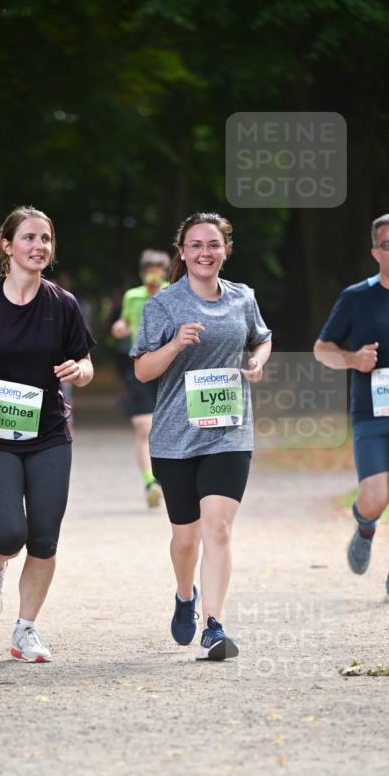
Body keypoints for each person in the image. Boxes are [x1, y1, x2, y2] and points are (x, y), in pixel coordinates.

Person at [0, 206, 95, 663]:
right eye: (29, 238)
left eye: (46, 239)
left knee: (45, 538)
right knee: (9, 533)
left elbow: (85, 364)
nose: (39, 247)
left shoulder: (62, 304)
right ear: (8, 247)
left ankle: (25, 630)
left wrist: (80, 370)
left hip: (49, 432)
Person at [131, 212, 272, 660]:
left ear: (225, 250)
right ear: (183, 252)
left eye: (213, 244)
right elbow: (141, 369)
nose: (205, 253)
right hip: (175, 436)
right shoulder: (163, 305)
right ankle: (184, 594)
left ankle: (214, 624)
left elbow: (261, 338)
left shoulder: (243, 298)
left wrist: (258, 362)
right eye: (196, 245)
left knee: (219, 529)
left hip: (230, 433)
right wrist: (174, 345)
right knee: (186, 538)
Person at [314, 213, 389, 603]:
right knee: (375, 498)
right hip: (371, 416)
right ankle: (364, 528)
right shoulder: (357, 297)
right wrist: (353, 359)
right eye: (388, 244)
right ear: (376, 252)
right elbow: (322, 350)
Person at [111, 249, 171, 506]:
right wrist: (120, 328)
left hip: (170, 369)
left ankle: (171, 478)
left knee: (168, 428)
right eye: (148, 270)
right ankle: (150, 482)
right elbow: (124, 324)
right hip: (140, 367)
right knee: (143, 427)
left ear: (165, 273)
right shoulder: (132, 296)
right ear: (142, 273)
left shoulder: (175, 293)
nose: (153, 275)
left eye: (158, 270)